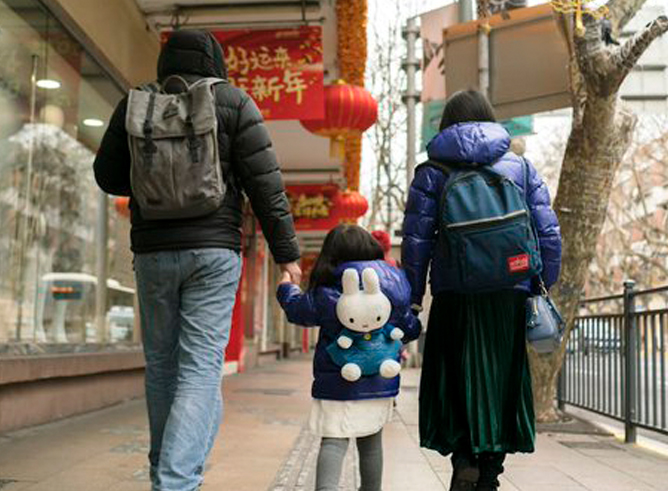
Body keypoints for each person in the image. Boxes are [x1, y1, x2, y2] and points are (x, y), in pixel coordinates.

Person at [93, 30, 301, 491]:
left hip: (151, 253)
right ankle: (176, 481)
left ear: (165, 61)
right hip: (213, 251)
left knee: (163, 366)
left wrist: (156, 182)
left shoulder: (136, 104)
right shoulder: (235, 102)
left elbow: (106, 175)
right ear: (216, 62)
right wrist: (287, 255)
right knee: (200, 368)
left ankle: (167, 473)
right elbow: (266, 185)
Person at [401, 90, 562, 491]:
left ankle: (465, 460)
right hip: (509, 292)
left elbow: (416, 243)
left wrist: (413, 298)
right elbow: (548, 233)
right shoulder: (520, 168)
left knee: (458, 377)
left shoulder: (432, 172)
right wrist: (543, 284)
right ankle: (490, 471)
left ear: (446, 126)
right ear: (490, 119)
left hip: (456, 295)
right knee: (501, 380)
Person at [277, 224, 421, 491]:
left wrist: (286, 288)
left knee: (334, 439)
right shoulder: (393, 285)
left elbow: (297, 311)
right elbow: (411, 330)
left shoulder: (328, 291)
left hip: (337, 383)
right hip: (379, 383)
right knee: (371, 442)